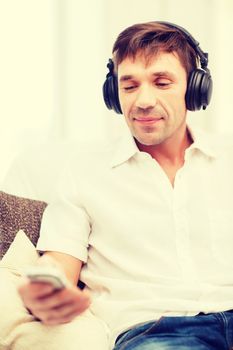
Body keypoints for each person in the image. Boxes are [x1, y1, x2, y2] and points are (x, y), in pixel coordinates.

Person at [17, 20, 233, 350]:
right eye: (129, 86)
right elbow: (58, 263)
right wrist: (45, 287)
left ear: (195, 87)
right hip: (159, 332)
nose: (143, 101)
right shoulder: (83, 172)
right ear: (113, 94)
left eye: (161, 82)